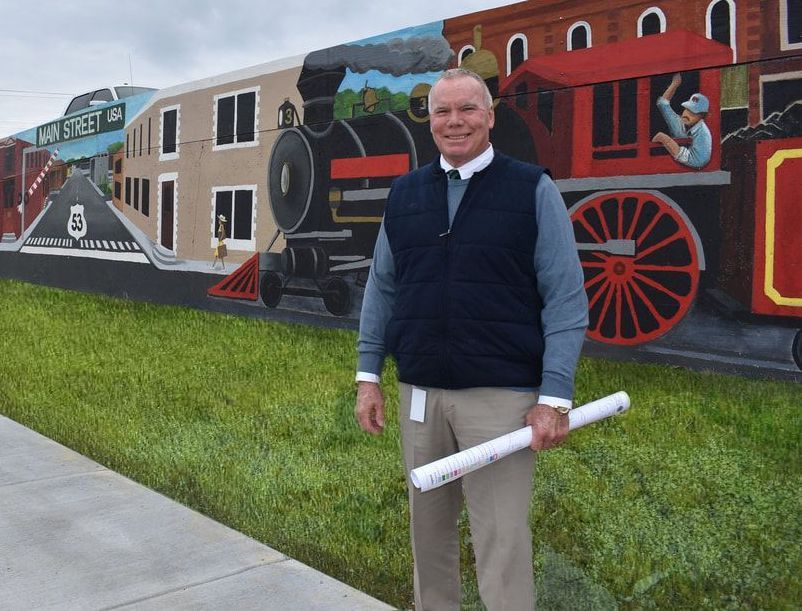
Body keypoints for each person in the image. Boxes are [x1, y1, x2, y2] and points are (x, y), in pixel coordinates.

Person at [354, 68, 588, 610]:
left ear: (489, 116)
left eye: (467, 110)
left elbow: (566, 298)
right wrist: (369, 376)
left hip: (501, 401)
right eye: (442, 111)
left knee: (502, 542)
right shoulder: (406, 193)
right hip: (420, 397)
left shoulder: (531, 188)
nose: (454, 122)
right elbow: (382, 289)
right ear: (430, 121)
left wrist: (554, 397)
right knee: (427, 538)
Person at [651, 73, 712, 169]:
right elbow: (662, 104)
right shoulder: (680, 122)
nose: (687, 114)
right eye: (687, 109)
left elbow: (698, 161)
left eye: (693, 113)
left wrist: (666, 140)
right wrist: (675, 84)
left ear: (702, 117)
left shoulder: (703, 133)